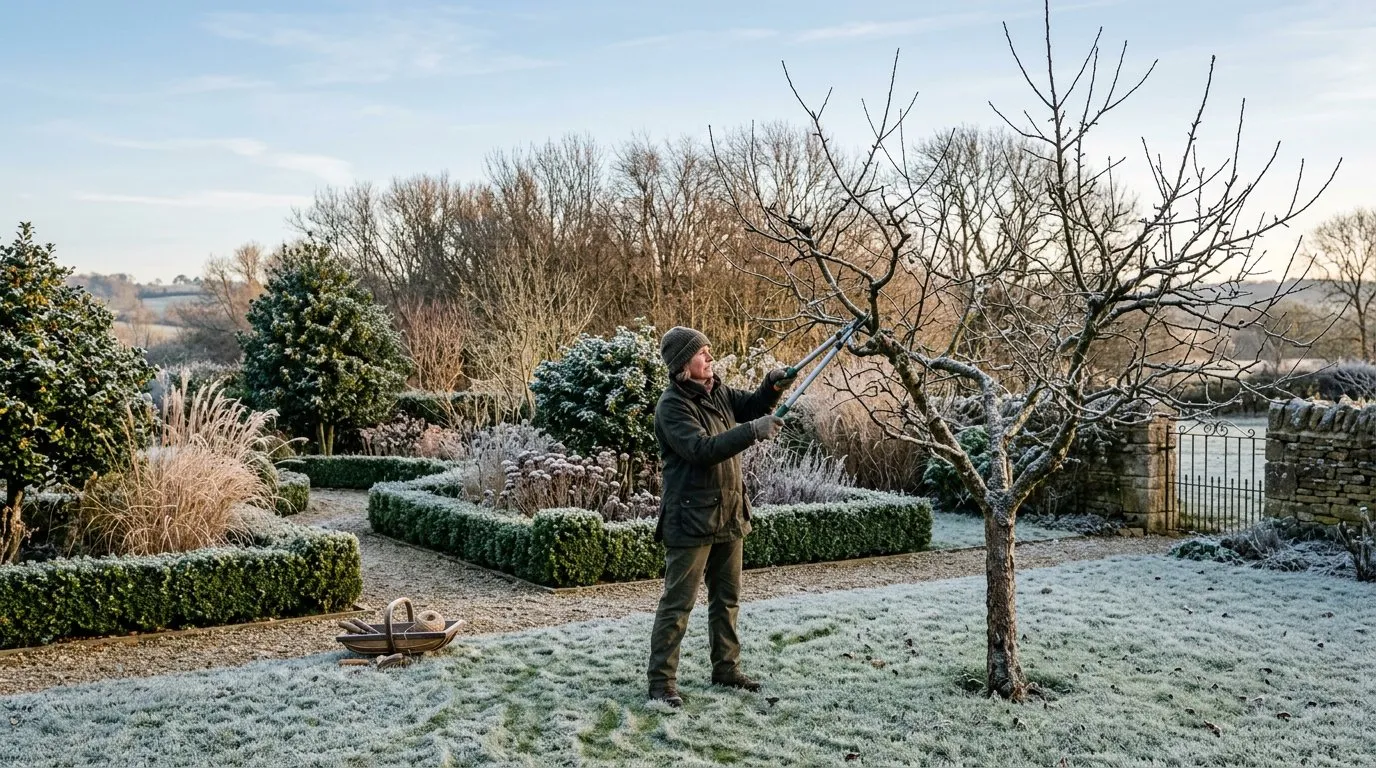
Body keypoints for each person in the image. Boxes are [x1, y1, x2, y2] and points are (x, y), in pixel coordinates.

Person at [646, 326, 793, 708]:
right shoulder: (672, 405)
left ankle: (726, 670)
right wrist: (753, 432)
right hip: (690, 519)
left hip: (729, 512)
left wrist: (773, 387)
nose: (710, 358)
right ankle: (662, 684)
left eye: (710, 351)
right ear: (682, 365)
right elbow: (700, 449)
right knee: (678, 605)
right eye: (702, 353)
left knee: (727, 599)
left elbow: (753, 406)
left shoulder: (720, 392)